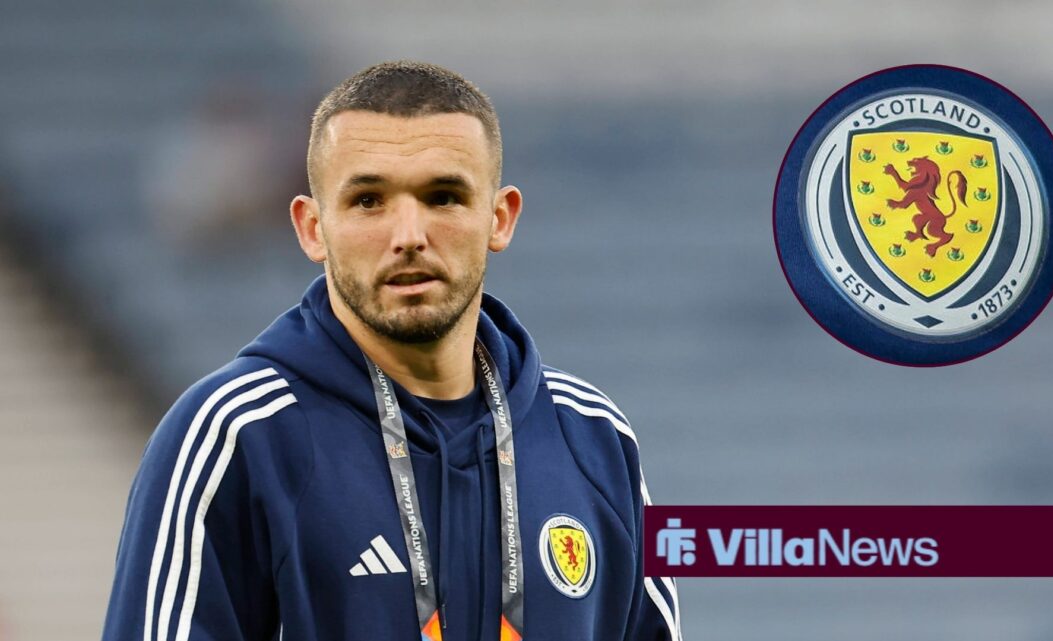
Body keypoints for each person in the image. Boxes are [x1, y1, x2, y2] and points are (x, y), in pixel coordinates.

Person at [102, 61, 681, 641]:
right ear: (312, 228)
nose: (408, 234)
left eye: (444, 196)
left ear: (499, 219)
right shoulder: (235, 437)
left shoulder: (595, 439)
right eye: (369, 200)